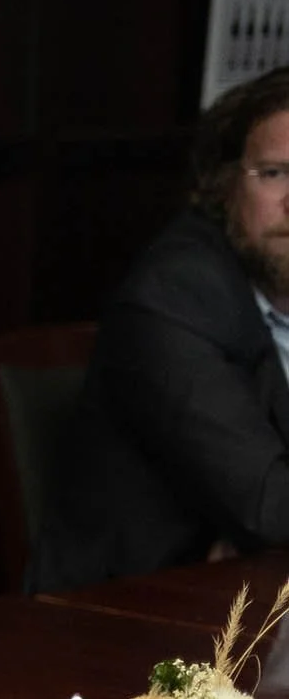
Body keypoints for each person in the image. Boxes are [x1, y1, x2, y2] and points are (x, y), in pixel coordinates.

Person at [35, 67, 289, 590]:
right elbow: (271, 510)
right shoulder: (174, 296)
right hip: (122, 627)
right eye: (276, 173)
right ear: (223, 189)